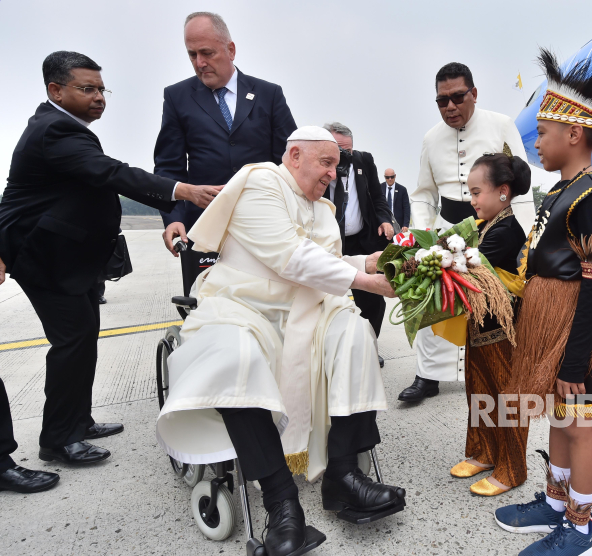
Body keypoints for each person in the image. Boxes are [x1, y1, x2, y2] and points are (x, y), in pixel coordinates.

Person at [156, 127, 406, 556]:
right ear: (294, 155)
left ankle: (343, 477)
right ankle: (281, 502)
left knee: (354, 330)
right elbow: (290, 258)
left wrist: (369, 260)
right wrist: (365, 280)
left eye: (336, 165)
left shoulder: (322, 208)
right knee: (238, 357)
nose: (333, 172)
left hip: (305, 309)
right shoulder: (260, 183)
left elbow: (326, 261)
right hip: (243, 307)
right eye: (325, 163)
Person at [0, 51, 220, 469]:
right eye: (88, 89)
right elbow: (112, 173)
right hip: (42, 257)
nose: (99, 97)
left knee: (81, 341)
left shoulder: (65, 127)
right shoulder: (54, 131)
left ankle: (75, 422)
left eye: (102, 89)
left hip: (67, 258)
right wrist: (183, 190)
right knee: (72, 342)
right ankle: (59, 441)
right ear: (55, 90)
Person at [494, 49, 592, 556]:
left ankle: (580, 526)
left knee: (578, 424)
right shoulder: (561, 190)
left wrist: (575, 359)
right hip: (550, 322)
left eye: (544, 133)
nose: (537, 142)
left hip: (577, 330)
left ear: (574, 134)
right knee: (559, 417)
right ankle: (553, 504)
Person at [399, 62, 533, 403]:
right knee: (433, 299)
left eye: (458, 97)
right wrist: (420, 236)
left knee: (491, 304)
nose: (450, 106)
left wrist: (527, 237)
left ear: (473, 93)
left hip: (493, 229)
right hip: (446, 230)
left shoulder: (500, 124)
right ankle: (428, 375)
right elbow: (423, 192)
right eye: (442, 101)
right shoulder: (431, 138)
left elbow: (522, 182)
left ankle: (492, 368)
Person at [155, 11, 297, 255]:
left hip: (266, 224)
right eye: (192, 54)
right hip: (203, 228)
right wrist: (173, 218)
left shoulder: (269, 94)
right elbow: (169, 166)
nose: (199, 62)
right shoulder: (177, 97)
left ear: (230, 50)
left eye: (207, 53)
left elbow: (290, 162)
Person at [451, 152, 530, 497]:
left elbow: (465, 266)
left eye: (476, 192)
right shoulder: (484, 227)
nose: (472, 200)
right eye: (470, 193)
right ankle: (484, 452)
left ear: (502, 192)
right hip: (479, 330)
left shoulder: (508, 230)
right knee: (479, 393)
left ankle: (512, 468)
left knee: (506, 398)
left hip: (502, 333)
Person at [323, 122, 394, 367]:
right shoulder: (321, 168)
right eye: (338, 150)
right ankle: (333, 351)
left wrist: (385, 220)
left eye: (348, 151)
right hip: (331, 244)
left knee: (372, 298)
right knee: (330, 299)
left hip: (363, 242)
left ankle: (369, 346)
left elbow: (377, 197)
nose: (344, 156)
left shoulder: (364, 161)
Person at [383, 168, 410, 232]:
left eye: (392, 177)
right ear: (384, 177)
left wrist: (406, 224)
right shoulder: (379, 188)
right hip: (384, 223)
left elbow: (406, 208)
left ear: (395, 176)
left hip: (398, 225)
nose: (390, 179)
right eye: (387, 177)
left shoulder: (402, 190)